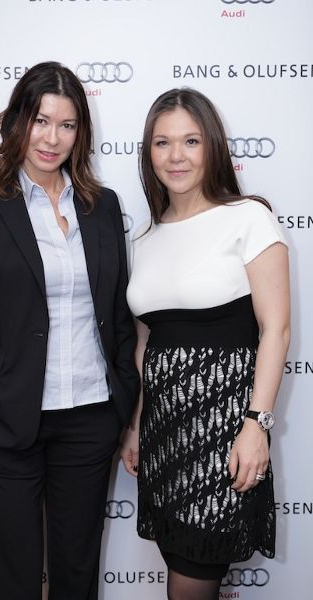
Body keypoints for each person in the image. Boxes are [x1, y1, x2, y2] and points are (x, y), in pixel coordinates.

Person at [0, 61, 139, 600]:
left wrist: (122, 402)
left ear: (80, 133)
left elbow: (117, 315)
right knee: (15, 582)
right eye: (40, 121)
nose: (51, 139)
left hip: (91, 418)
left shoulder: (102, 207)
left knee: (77, 577)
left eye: (66, 125)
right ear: (17, 121)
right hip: (6, 423)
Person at [121, 87, 290, 600]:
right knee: (181, 570)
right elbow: (147, 341)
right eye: (162, 143)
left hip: (223, 435)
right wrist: (136, 423)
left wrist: (256, 426)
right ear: (148, 153)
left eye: (191, 141)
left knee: (190, 583)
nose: (176, 156)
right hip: (164, 437)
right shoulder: (144, 238)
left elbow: (276, 330)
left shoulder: (249, 218)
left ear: (212, 146)